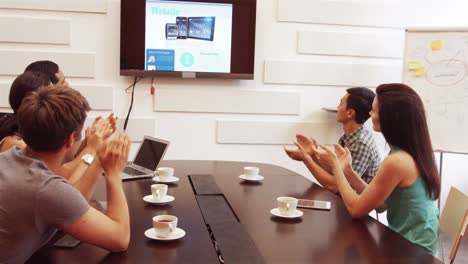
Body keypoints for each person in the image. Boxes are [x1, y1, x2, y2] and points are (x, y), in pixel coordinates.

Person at [303, 83, 440, 256]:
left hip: (412, 253)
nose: (369, 114)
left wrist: (336, 166)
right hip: (414, 246)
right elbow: (382, 205)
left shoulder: (397, 161)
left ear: (390, 118)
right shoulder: (408, 153)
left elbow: (355, 209)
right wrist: (349, 172)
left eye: (374, 111)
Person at [0, 86, 131, 263]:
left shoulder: (8, 158)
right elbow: (119, 239)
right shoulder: (46, 189)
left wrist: (100, 158)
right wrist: (113, 173)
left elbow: (70, 204)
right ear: (70, 139)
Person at [285, 87, 381, 193]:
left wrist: (306, 159)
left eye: (341, 104)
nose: (338, 107)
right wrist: (312, 154)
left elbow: (336, 187)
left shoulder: (361, 144)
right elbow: (335, 172)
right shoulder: (349, 137)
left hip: (352, 208)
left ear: (350, 113)